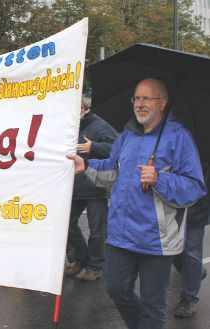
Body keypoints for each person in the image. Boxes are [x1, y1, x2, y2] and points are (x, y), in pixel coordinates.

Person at [67, 78, 206, 329]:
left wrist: (160, 179)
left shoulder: (179, 137)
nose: (140, 104)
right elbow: (111, 169)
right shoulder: (128, 134)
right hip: (122, 234)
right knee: (116, 288)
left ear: (162, 103)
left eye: (147, 98)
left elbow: (195, 187)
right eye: (137, 98)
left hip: (157, 240)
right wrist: (85, 165)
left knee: (154, 304)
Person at [65, 95, 117, 281]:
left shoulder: (99, 124)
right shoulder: (68, 125)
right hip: (75, 185)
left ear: (80, 108)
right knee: (67, 224)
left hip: (96, 185)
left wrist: (94, 147)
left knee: (97, 230)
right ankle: (81, 258)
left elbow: (117, 148)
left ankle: (95, 266)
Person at [172, 163, 209, 318]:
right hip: (170, 205)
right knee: (171, 250)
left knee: (192, 252)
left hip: (197, 206)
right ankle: (193, 272)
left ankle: (189, 297)